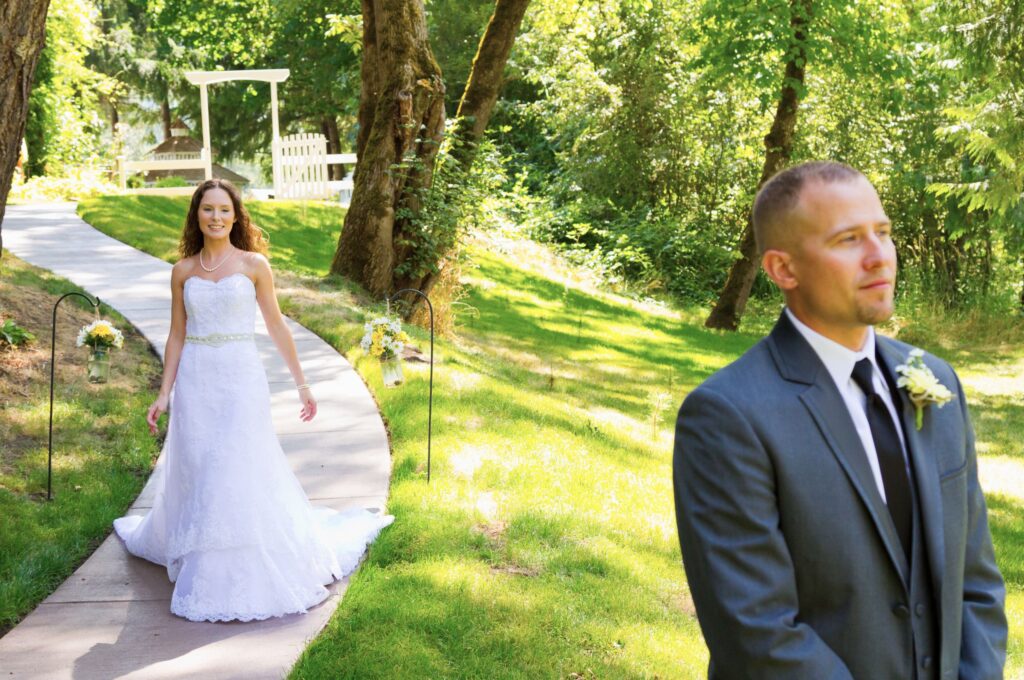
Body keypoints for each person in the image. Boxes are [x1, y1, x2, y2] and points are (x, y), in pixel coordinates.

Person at [673, 162, 1006, 678]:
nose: (880, 257)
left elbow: (976, 582)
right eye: (849, 239)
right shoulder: (728, 415)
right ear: (784, 269)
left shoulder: (937, 383)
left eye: (884, 232)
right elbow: (756, 629)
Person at [114, 179, 393, 622]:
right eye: (208, 209)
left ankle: (235, 560)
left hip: (240, 377)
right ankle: (199, 548)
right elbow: (177, 334)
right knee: (201, 466)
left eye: (224, 210)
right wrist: (164, 393)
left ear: (236, 215)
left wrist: (302, 384)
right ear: (196, 215)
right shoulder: (183, 271)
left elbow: (278, 326)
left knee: (235, 463)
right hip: (196, 380)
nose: (216, 217)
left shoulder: (253, 265)